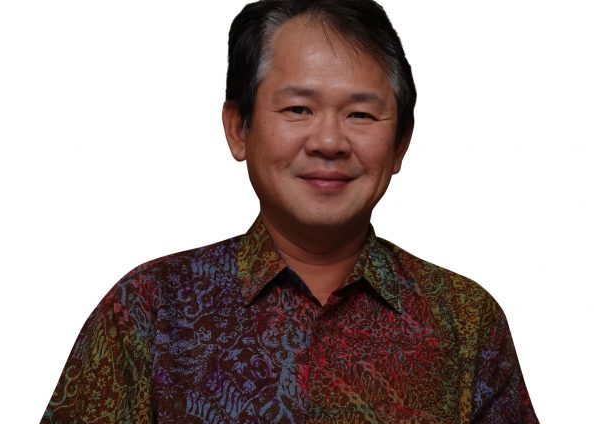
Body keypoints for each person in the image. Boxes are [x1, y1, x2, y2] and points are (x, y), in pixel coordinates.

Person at [41, 0, 539, 422]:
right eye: (299, 109)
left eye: (361, 114)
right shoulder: (150, 309)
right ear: (239, 128)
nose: (329, 141)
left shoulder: (466, 322)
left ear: (400, 144)